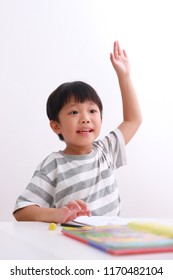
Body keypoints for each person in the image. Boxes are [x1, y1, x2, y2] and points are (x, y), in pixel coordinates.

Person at [13, 41, 142, 223]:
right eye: (74, 112)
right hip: (72, 243)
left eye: (92, 111)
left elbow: (133, 120)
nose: (85, 118)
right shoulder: (54, 164)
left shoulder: (106, 150)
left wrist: (125, 77)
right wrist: (58, 214)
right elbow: (22, 211)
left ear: (100, 119)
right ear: (56, 126)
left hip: (110, 239)